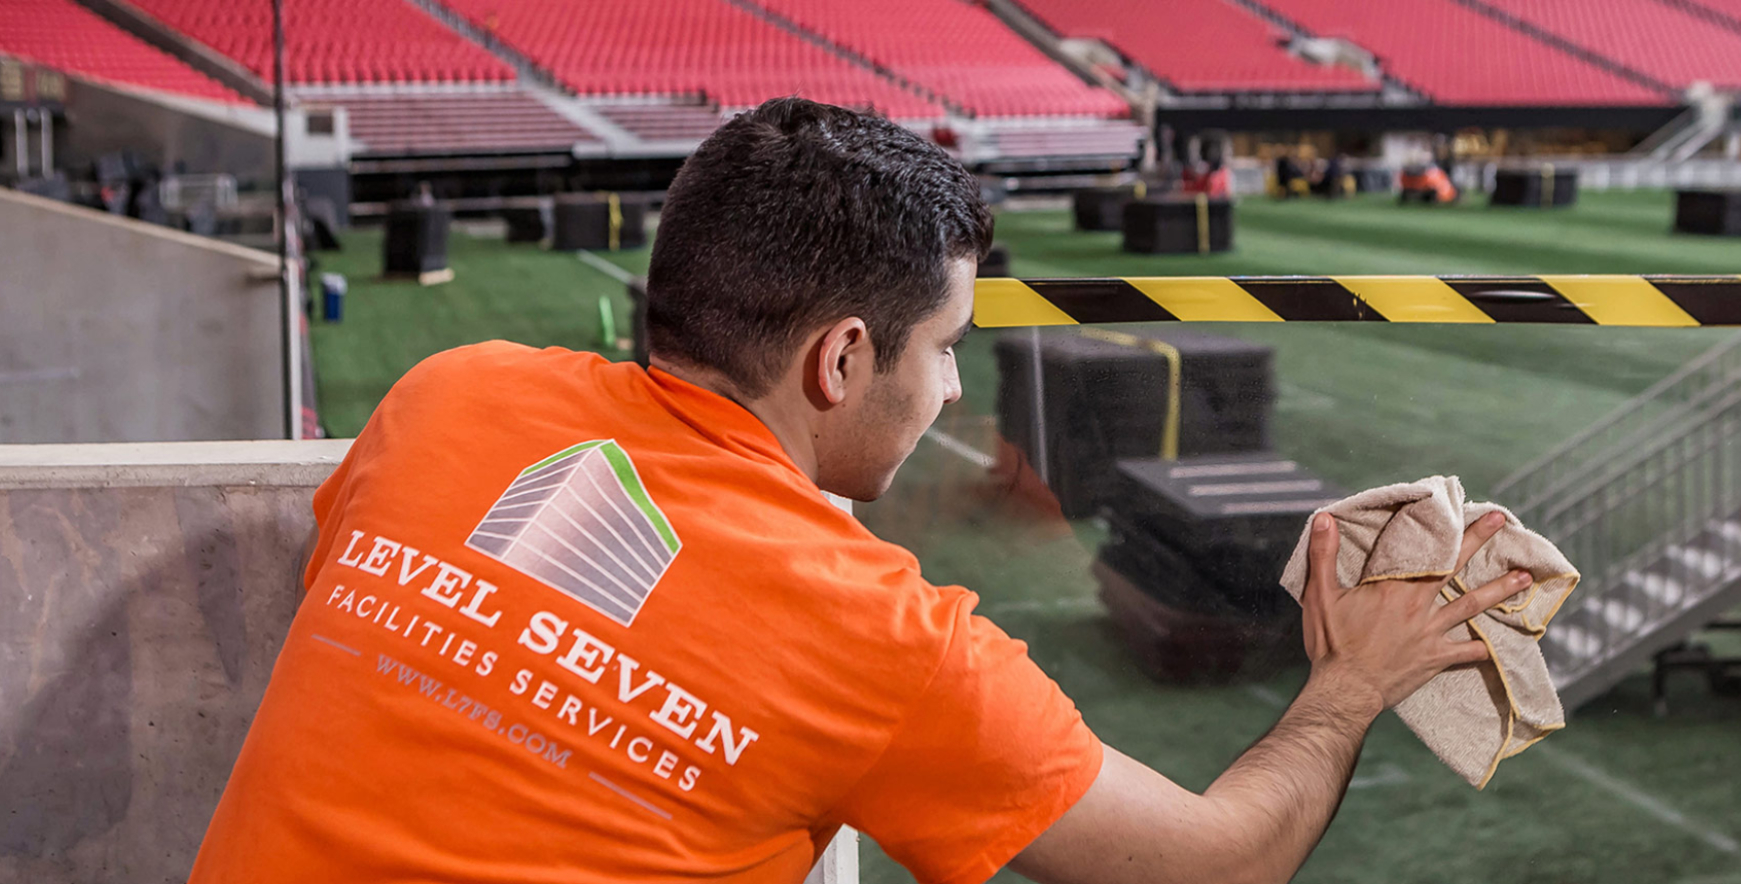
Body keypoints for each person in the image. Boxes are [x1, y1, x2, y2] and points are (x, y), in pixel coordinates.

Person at [189, 97, 1525, 884]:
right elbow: (1211, 864)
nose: (950, 393)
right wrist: (1353, 681)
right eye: (945, 350)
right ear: (839, 359)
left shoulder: (451, 394)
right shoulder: (883, 645)